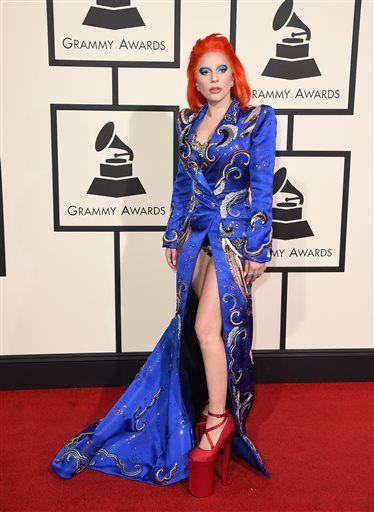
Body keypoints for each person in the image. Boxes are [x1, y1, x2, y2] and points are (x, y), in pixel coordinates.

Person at [50, 33, 277, 498]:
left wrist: (257, 248)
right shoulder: (186, 122)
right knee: (190, 327)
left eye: (221, 69)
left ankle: (218, 422)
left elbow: (262, 185)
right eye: (203, 71)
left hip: (233, 239)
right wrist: (173, 233)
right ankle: (204, 407)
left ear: (235, 73)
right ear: (193, 79)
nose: (213, 79)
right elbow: (181, 184)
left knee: (207, 328)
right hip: (196, 240)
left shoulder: (257, 120)